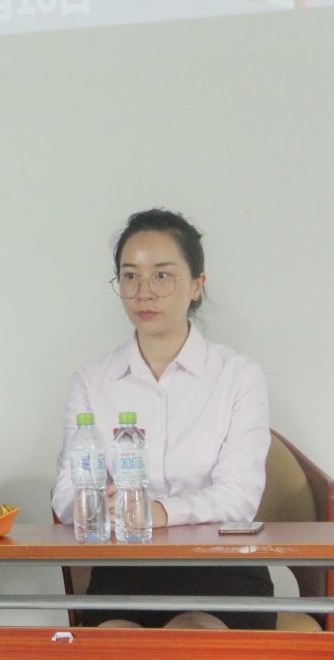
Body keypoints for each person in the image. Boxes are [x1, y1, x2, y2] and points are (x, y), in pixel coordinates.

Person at [51, 209, 272, 630]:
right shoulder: (91, 380)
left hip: (223, 569)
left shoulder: (238, 376)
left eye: (162, 276)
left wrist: (158, 511)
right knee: (115, 645)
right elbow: (67, 490)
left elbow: (240, 496)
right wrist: (97, 505)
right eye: (130, 276)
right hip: (125, 568)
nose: (144, 293)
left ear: (197, 285)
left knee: (189, 641)